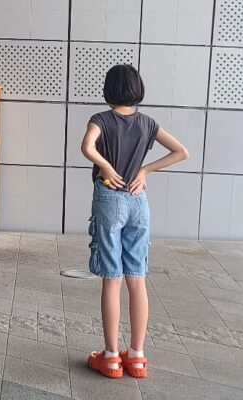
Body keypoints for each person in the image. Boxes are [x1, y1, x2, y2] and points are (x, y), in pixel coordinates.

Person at [80, 64, 189, 379]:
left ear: (109, 89)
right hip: (138, 202)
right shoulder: (148, 123)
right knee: (136, 278)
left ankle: (112, 356)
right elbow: (182, 152)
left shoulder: (101, 119)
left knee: (111, 279)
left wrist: (104, 166)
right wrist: (145, 170)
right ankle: (138, 357)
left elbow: (87, 147)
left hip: (110, 199)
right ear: (138, 88)